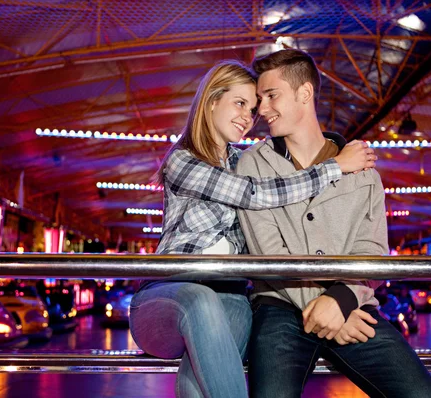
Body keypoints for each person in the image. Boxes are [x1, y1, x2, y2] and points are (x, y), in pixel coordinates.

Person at [128, 60, 376, 398]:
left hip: (227, 297)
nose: (248, 117)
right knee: (200, 302)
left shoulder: (245, 163)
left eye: (254, 109)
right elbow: (254, 194)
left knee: (203, 372)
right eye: (240, 103)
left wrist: (339, 301)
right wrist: (334, 166)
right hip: (167, 297)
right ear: (212, 100)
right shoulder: (183, 160)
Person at [236, 49, 431, 398]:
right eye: (259, 99)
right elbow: (268, 252)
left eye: (271, 96)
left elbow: (372, 249)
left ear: (305, 93)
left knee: (423, 395)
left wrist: (342, 300)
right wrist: (332, 310)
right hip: (281, 309)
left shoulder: (364, 172)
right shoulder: (252, 166)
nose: (262, 109)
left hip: (351, 304)